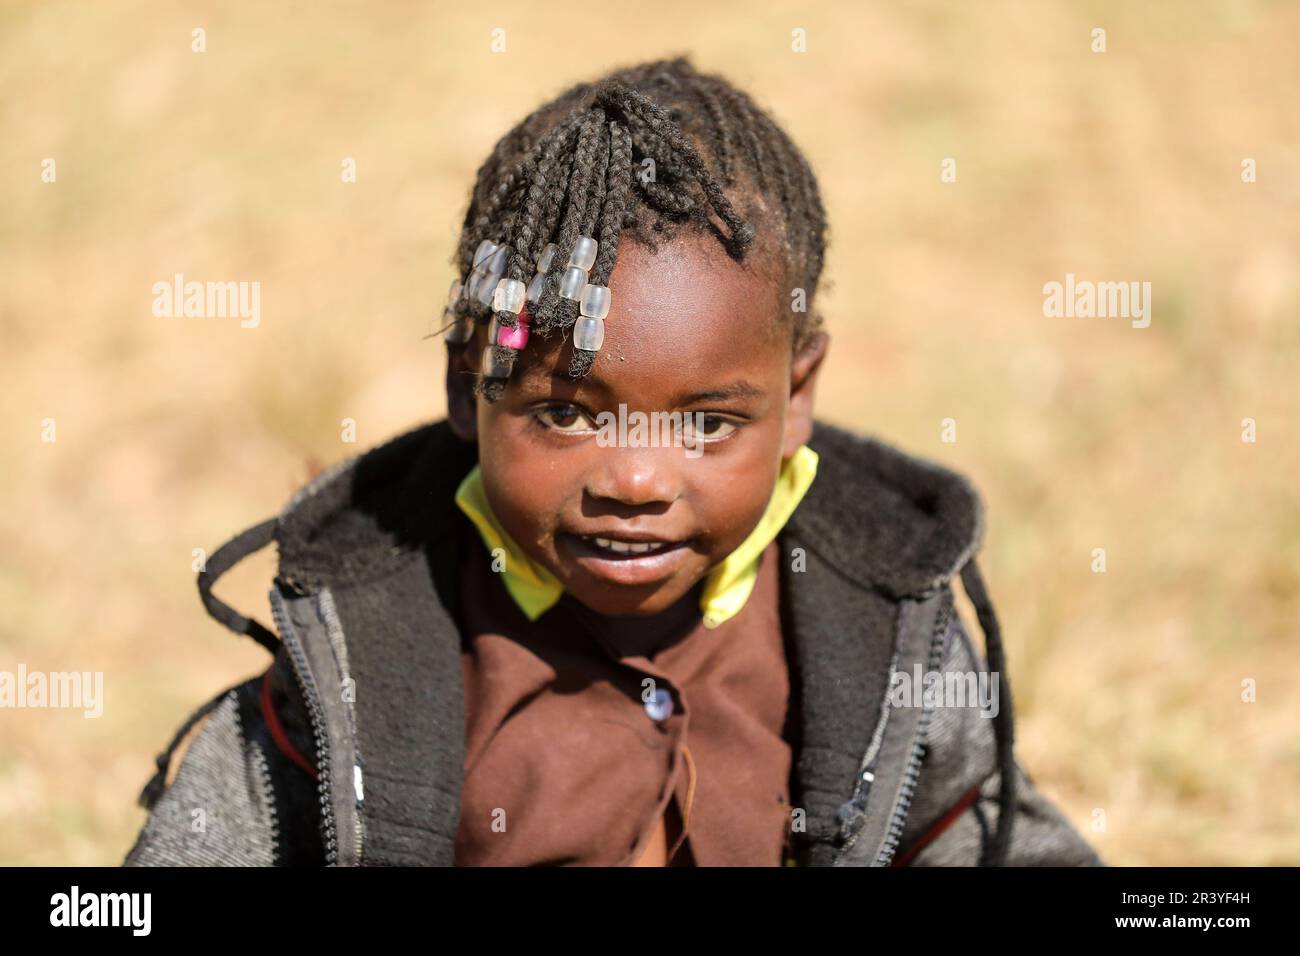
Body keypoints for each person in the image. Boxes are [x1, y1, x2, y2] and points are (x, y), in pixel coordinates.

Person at [124, 57, 1100, 867]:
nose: (633, 481)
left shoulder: (872, 611)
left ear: (796, 394)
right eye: (562, 411)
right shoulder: (375, 636)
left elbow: (991, 839)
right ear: (471, 384)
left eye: (708, 424)